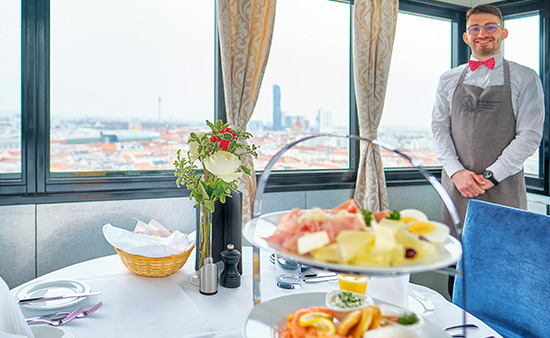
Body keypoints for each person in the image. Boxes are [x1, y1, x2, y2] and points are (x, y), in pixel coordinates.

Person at [431, 4, 544, 237]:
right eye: (475, 29)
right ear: (465, 36)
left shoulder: (526, 77)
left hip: (504, 187)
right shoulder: (448, 78)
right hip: (457, 187)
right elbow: (439, 129)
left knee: (503, 259)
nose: (482, 34)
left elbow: (530, 136)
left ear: (503, 33)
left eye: (490, 27)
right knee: (458, 258)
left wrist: (491, 176)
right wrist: (457, 172)